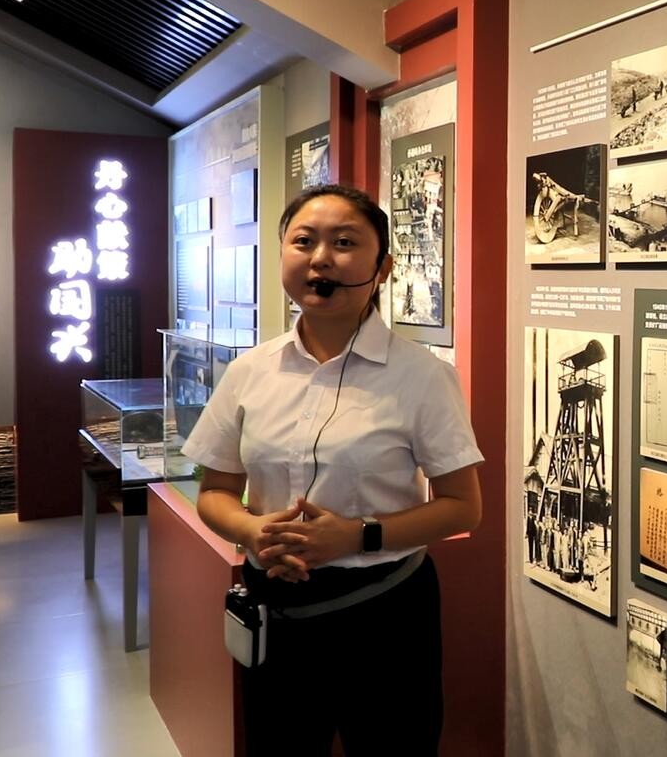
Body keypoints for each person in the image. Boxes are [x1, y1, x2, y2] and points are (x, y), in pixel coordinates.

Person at [186, 184, 484, 755]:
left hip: (386, 611)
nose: (320, 259)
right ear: (282, 256)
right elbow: (215, 491)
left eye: (344, 243)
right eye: (304, 241)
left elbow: (462, 507)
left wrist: (356, 536)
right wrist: (253, 529)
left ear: (383, 268)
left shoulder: (421, 375)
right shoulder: (250, 371)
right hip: (275, 606)